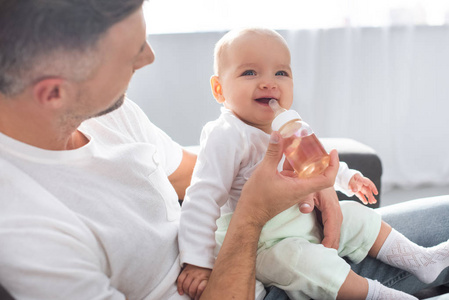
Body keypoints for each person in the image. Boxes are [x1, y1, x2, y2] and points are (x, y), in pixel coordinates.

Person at [0, 2, 447, 300]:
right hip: (254, 272)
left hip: (289, 229)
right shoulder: (29, 229)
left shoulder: (105, 113)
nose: (149, 57)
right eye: (131, 53)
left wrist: (318, 183)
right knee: (317, 267)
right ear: (53, 92)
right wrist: (251, 214)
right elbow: (210, 197)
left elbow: (203, 176)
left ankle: (422, 266)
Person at [177, 28, 449, 300]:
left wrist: (347, 178)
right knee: (305, 263)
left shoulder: (287, 125)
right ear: (219, 89)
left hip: (302, 221)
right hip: (264, 245)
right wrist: (197, 263)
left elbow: (317, 163)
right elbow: (202, 199)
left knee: (354, 215)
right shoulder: (226, 134)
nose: (269, 83)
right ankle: (379, 295)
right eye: (250, 73)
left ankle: (420, 260)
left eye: (280, 73)